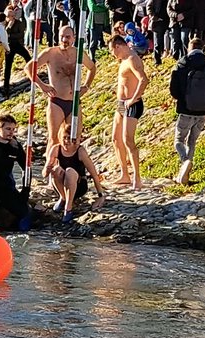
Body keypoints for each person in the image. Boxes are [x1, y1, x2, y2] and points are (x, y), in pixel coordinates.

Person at [23, 25, 97, 151]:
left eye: (67, 37)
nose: (64, 40)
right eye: (61, 36)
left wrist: (86, 86)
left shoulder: (78, 53)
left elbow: (92, 68)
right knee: (54, 139)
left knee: (74, 137)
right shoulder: (50, 53)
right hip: (57, 101)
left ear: (73, 38)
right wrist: (42, 86)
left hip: (74, 101)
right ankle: (50, 167)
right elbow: (29, 68)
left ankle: (68, 167)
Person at [169, 37, 205, 186]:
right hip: (204, 111)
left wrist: (180, 99)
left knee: (179, 141)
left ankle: (185, 162)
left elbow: (173, 88)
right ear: (203, 48)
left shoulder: (182, 63)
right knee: (192, 140)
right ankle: (186, 172)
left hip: (186, 110)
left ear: (189, 47)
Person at [42, 123, 105, 223]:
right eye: (64, 138)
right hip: (62, 185)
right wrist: (48, 168)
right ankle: (63, 198)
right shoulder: (56, 149)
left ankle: (68, 207)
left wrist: (100, 196)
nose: (67, 141)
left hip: (79, 185)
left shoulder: (80, 151)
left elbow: (93, 173)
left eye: (70, 138)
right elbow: (44, 174)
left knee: (69, 171)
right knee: (56, 169)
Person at [108, 35, 148, 191]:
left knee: (127, 140)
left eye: (112, 50)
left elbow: (143, 79)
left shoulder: (132, 59)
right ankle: (124, 174)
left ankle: (137, 178)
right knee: (116, 138)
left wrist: (134, 98)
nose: (112, 54)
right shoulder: (123, 60)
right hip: (121, 104)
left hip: (132, 104)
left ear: (118, 46)